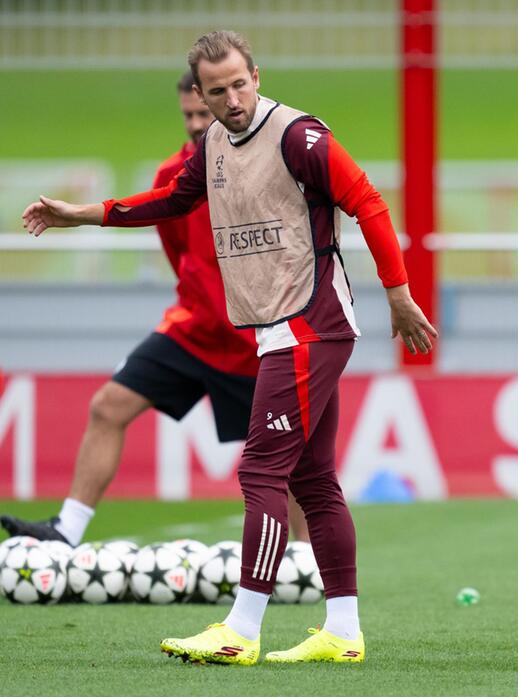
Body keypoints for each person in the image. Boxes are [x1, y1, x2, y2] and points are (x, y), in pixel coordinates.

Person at [22, 31, 437, 666]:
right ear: (201, 96)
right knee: (314, 479)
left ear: (256, 74)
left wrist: (400, 294)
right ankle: (344, 631)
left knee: (260, 473)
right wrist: (83, 215)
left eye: (240, 84)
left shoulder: (298, 136)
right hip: (278, 327)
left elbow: (369, 202)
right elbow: (169, 201)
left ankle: (242, 629)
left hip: (310, 323)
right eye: (217, 91)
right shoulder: (214, 143)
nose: (232, 99)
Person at [2, 70, 310, 546]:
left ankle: (308, 558)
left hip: (256, 338)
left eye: (201, 114)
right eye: (187, 114)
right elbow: (175, 249)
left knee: (287, 457)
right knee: (109, 406)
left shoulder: (263, 169)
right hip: (192, 331)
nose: (193, 124)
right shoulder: (173, 174)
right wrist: (198, 295)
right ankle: (67, 529)